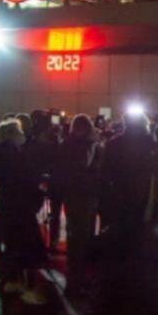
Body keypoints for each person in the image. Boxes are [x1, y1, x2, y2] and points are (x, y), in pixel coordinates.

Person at [98, 109, 156, 307]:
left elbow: (104, 174)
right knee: (139, 245)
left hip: (118, 200)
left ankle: (115, 290)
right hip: (143, 200)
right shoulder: (151, 143)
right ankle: (137, 291)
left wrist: (105, 202)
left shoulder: (114, 143)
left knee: (118, 246)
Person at [0, 119, 49, 305]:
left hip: (7, 206)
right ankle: (28, 289)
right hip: (21, 207)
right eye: (19, 132)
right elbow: (26, 179)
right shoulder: (15, 156)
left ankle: (13, 280)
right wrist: (39, 188)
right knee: (28, 247)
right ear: (12, 135)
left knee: (12, 245)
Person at [59, 114, 102, 291]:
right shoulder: (87, 144)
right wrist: (93, 145)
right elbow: (86, 164)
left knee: (74, 235)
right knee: (82, 237)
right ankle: (78, 279)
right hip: (85, 195)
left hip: (72, 194)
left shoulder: (65, 143)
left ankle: (74, 277)